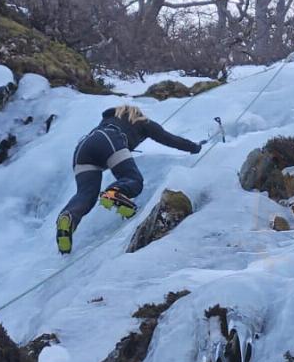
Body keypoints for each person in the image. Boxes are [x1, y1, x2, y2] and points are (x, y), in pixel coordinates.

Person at [56, 104, 201, 254]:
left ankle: (68, 217)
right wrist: (195, 148)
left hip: (83, 148)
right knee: (133, 179)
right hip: (109, 139)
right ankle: (114, 192)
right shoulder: (141, 121)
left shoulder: (107, 120)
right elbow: (169, 139)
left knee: (85, 194)